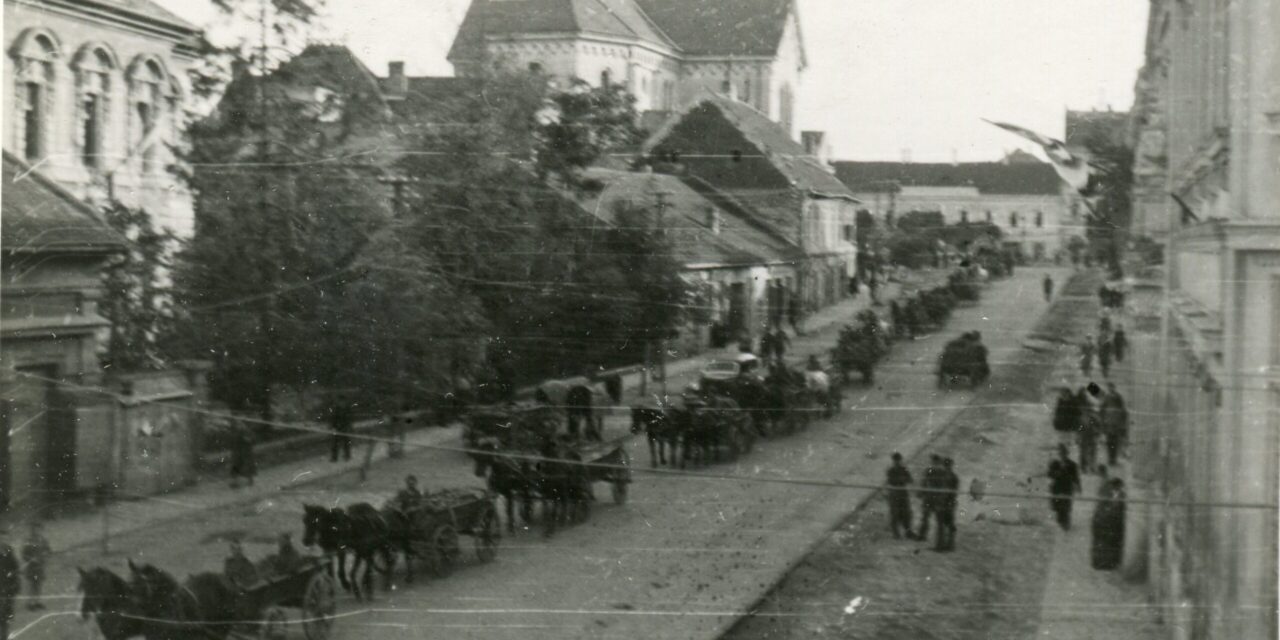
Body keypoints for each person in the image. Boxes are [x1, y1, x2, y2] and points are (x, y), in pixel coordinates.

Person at [1091, 477, 1127, 570]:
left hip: (1114, 524)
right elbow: (1100, 508)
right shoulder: (1105, 493)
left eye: (1118, 487)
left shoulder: (1122, 495)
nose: (1117, 488)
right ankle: (1099, 564)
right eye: (1116, 486)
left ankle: (1110, 564)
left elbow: (1122, 509)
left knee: (1112, 544)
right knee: (1101, 544)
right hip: (1102, 522)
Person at [1048, 444, 1082, 531]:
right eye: (1061, 453)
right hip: (1057, 489)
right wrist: (1056, 473)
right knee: (1058, 509)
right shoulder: (1055, 463)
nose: (1062, 454)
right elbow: (1049, 474)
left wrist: (1079, 488)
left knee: (1066, 509)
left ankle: (1066, 527)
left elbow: (1076, 477)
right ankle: (1061, 526)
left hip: (1067, 489)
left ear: (1067, 453)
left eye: (1064, 453)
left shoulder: (1072, 464)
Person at [912, 455, 944, 541]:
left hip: (932, 497)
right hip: (933, 497)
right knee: (928, 517)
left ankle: (923, 535)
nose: (934, 464)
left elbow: (924, 482)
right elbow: (924, 482)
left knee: (928, 517)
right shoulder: (939, 471)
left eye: (935, 462)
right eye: (934, 462)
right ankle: (925, 535)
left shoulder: (932, 470)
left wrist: (920, 493)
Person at [19, 523, 49, 611]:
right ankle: (30, 603)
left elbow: (48, 550)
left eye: (40, 529)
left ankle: (37, 602)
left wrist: (46, 554)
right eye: (36, 529)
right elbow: (23, 554)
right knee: (31, 585)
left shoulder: (43, 540)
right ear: (32, 530)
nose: (38, 531)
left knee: (39, 585)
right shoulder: (28, 540)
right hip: (31, 567)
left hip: (40, 566)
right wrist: (31, 559)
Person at [884, 452, 914, 539]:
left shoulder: (903, 469)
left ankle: (908, 531)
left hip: (903, 493)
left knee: (906, 513)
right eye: (895, 460)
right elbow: (891, 481)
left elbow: (910, 479)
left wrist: (903, 479)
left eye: (898, 460)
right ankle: (896, 533)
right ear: (893, 461)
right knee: (895, 513)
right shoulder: (891, 470)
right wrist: (902, 479)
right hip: (894, 493)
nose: (897, 462)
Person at [1101, 384, 1130, 465]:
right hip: (1109, 425)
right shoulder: (1106, 398)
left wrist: (1122, 423)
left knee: (1115, 443)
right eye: (1109, 387)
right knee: (1109, 442)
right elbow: (1102, 410)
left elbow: (1123, 409)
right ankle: (1111, 459)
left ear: (1114, 388)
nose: (1111, 389)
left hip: (1116, 425)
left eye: (1112, 387)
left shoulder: (1118, 397)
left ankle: (1113, 459)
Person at [936, 458, 960, 551]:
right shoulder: (940, 476)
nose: (947, 467)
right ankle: (940, 545)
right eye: (946, 466)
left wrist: (949, 503)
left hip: (949, 504)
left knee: (950, 525)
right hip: (942, 504)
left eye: (948, 466)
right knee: (940, 525)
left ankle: (950, 545)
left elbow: (954, 492)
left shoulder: (954, 477)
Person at [229, 420, 256, 488]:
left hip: (246, 452)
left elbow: (252, 440)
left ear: (244, 425)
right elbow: (232, 441)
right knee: (235, 466)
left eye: (240, 424)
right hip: (237, 452)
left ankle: (250, 480)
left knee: (247, 466)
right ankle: (235, 482)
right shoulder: (235, 432)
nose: (239, 426)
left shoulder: (248, 431)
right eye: (238, 425)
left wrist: (247, 439)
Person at [0, 539, 17, 640]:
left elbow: (15, 568)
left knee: (4, 617)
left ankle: (4, 636)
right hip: (3, 588)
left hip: (6, 589)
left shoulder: (10, 554)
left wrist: (12, 574)